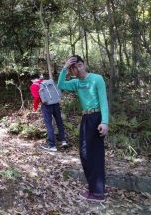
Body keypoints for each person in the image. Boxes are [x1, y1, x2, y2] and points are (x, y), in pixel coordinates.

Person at [58, 55, 109, 202]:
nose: (78, 69)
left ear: (84, 65)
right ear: (71, 70)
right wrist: (64, 68)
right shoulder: (76, 83)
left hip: (97, 117)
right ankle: (93, 188)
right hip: (86, 119)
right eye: (74, 67)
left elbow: (103, 101)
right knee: (85, 154)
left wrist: (105, 122)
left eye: (79, 65)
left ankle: (98, 193)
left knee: (95, 155)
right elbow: (61, 85)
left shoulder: (97, 79)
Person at [30, 74, 67, 152]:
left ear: (32, 80)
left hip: (46, 105)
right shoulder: (45, 81)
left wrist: (35, 108)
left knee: (48, 124)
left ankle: (52, 145)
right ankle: (63, 141)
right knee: (59, 121)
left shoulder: (34, 85)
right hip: (55, 103)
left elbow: (36, 97)